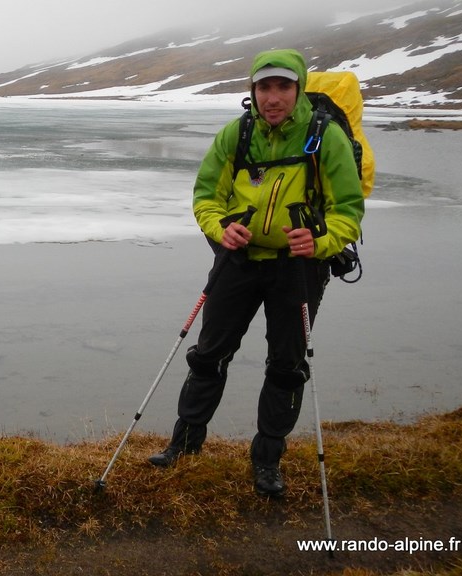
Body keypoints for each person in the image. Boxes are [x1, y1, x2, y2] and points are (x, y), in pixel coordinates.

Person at [147, 48, 365, 497]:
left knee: (286, 366)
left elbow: (348, 209)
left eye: (283, 86)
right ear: (253, 90)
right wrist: (220, 228)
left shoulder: (325, 137)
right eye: (264, 87)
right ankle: (184, 445)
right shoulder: (238, 133)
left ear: (298, 89)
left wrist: (321, 241)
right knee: (208, 355)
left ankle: (267, 461)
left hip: (299, 267)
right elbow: (206, 195)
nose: (273, 97)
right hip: (239, 261)